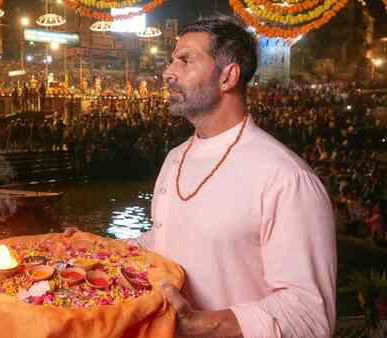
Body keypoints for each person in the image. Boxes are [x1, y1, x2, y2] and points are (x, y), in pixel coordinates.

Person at [133, 15, 336, 337]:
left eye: (185, 61)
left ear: (228, 77)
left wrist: (201, 324)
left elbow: (309, 316)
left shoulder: (286, 178)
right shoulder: (175, 158)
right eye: (172, 61)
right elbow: (165, 241)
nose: (167, 73)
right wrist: (93, 251)